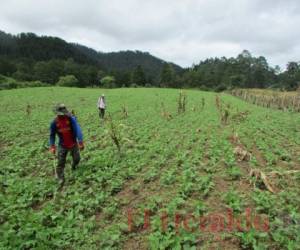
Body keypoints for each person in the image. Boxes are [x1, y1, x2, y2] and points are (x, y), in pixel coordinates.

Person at [49, 104, 84, 186]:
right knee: (60, 163)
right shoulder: (54, 123)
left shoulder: (71, 119)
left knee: (77, 159)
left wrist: (80, 141)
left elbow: (77, 129)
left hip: (73, 143)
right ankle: (61, 178)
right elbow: (52, 135)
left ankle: (74, 166)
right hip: (62, 145)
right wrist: (52, 146)